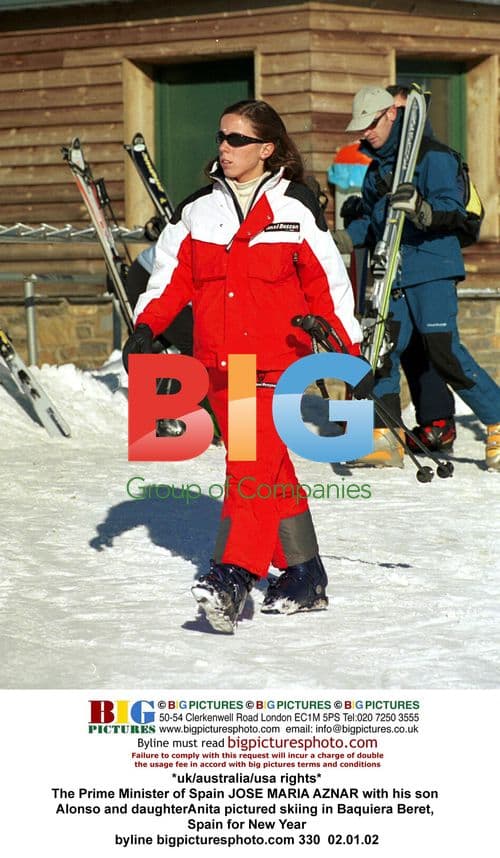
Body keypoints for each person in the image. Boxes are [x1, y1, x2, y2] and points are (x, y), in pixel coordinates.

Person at [122, 98, 366, 632]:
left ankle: (231, 574)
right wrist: (146, 326)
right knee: (267, 467)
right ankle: (305, 575)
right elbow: (170, 280)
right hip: (219, 365)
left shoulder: (295, 209)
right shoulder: (196, 212)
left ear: (266, 149)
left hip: (277, 364)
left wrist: (350, 349)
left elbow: (328, 285)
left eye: (237, 139)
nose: (224, 148)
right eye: (221, 137)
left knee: (249, 467)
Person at [334, 85, 500, 470]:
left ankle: (495, 420)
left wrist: (421, 209)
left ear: (391, 114)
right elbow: (371, 225)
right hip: (392, 269)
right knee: (383, 348)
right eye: (360, 127)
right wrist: (338, 238)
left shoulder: (434, 157)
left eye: (370, 124)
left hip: (432, 266)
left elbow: (451, 207)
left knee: (443, 350)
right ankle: (385, 438)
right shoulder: (376, 171)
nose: (364, 133)